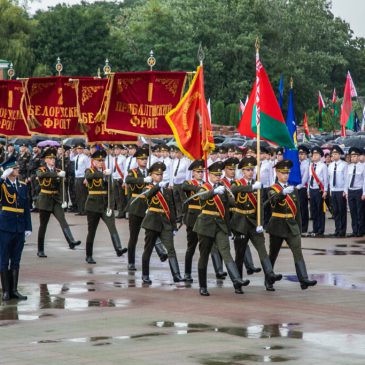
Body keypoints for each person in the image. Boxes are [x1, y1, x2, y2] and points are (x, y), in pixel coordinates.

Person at [193, 161, 249, 296]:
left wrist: (228, 192)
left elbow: (229, 207)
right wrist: (213, 191)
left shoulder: (223, 188)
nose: (218, 177)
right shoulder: (204, 187)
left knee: (226, 252)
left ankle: (237, 280)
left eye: (219, 175)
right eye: (215, 175)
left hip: (220, 225)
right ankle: (203, 286)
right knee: (204, 255)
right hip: (205, 225)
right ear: (209, 175)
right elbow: (202, 197)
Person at [231, 157, 282, 291]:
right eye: (247, 170)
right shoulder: (237, 183)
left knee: (262, 249)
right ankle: (238, 283)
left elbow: (259, 205)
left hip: (254, 222)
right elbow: (234, 191)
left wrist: (261, 223)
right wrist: (251, 187)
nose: (250, 172)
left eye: (252, 169)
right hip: (240, 222)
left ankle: (270, 275)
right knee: (240, 254)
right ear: (242, 171)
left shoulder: (257, 184)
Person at [267, 159, 317, 290]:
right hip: (277, 225)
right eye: (283, 173)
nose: (285, 176)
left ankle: (303, 279)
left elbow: (297, 211)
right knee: (273, 254)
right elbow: (273, 199)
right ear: (277, 173)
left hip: (291, 225)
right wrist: (282, 193)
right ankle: (269, 279)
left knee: (297, 252)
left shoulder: (293, 189)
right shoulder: (273, 189)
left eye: (287, 173)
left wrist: (299, 228)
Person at [140, 162, 184, 284]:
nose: (159, 176)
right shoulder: (147, 188)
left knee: (171, 249)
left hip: (165, 222)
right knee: (148, 249)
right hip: (152, 221)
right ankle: (145, 275)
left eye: (161, 174)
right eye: (156, 174)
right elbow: (147, 196)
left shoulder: (166, 189)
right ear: (151, 175)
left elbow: (171, 208)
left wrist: (174, 226)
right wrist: (158, 186)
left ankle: (176, 275)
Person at [36, 148, 81, 258]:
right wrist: (57, 175)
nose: (53, 160)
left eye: (54, 158)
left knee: (63, 220)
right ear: (45, 160)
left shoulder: (58, 170)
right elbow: (41, 175)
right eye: (50, 158)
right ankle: (40, 249)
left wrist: (64, 199)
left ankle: (71, 241)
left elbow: (62, 188)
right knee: (43, 225)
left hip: (56, 200)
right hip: (45, 200)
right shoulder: (42, 169)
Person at [84, 150, 127, 264]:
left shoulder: (106, 173)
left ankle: (118, 249)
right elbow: (89, 176)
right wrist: (103, 174)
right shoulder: (90, 170)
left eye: (102, 160)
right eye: (98, 161)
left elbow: (111, 191)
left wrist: (111, 206)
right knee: (92, 231)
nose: (101, 162)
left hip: (105, 205)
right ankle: (89, 255)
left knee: (112, 226)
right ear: (93, 161)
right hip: (93, 205)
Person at [0, 157, 32, 301]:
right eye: (14, 168)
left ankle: (14, 290)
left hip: (19, 227)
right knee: (4, 259)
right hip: (6, 226)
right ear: (8, 170)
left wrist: (28, 227)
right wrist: (2, 177)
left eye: (18, 167)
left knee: (16, 259)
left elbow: (26, 207)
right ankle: (6, 291)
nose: (18, 169)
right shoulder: (3, 185)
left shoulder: (23, 185)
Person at [345, 147, 365, 237]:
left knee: (360, 212)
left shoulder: (363, 167)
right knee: (352, 212)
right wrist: (346, 191)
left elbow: (364, 181)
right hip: (351, 191)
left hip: (359, 191)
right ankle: (354, 230)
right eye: (351, 156)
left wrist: (364, 193)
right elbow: (346, 180)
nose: (353, 158)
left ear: (358, 156)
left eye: (355, 156)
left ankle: (361, 231)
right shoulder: (348, 167)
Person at [308, 146, 328, 237]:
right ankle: (315, 228)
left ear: (320, 156)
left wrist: (325, 191)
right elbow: (309, 179)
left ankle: (321, 229)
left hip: (320, 190)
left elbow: (325, 179)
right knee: (313, 210)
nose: (314, 156)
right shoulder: (311, 166)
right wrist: (308, 190)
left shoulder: (323, 166)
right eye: (313, 155)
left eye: (316, 154)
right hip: (312, 190)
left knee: (320, 211)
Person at [328, 145, 347, 237]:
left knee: (342, 211)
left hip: (341, 191)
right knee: (335, 211)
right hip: (334, 190)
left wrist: (345, 191)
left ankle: (342, 231)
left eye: (336, 154)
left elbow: (346, 179)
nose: (334, 155)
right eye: (333, 154)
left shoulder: (344, 165)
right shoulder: (330, 166)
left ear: (339, 154)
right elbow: (330, 179)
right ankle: (337, 229)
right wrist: (331, 191)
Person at [70, 143, 90, 215]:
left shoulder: (85, 157)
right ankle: (80, 210)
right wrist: (72, 151)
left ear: (83, 149)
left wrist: (86, 178)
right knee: (78, 194)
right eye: (78, 149)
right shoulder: (76, 157)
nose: (79, 150)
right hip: (77, 177)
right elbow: (71, 158)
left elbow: (88, 168)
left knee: (83, 195)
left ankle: (85, 210)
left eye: (81, 149)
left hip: (82, 177)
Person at [296, 145, 310, 236]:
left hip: (303, 188)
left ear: (306, 154)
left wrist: (299, 186)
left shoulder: (307, 164)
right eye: (299, 154)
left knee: (303, 208)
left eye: (302, 153)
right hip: (296, 187)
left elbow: (305, 178)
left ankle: (304, 227)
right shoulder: (297, 163)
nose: (300, 155)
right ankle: (298, 226)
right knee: (298, 208)